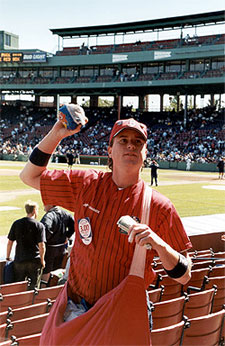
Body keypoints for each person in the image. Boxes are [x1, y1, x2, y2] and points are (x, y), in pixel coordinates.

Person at [20, 112, 192, 337]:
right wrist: (57, 133)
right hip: (76, 309)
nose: (131, 146)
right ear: (109, 151)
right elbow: (29, 176)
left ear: (145, 152)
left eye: (138, 142)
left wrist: (159, 244)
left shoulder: (160, 206)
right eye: (123, 140)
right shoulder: (86, 183)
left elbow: (184, 275)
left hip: (123, 314)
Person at [6, 200, 46, 289]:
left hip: (20, 259)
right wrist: (42, 260)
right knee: (34, 286)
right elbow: (42, 245)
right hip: (34, 260)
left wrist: (8, 257)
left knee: (19, 285)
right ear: (35, 210)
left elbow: (10, 242)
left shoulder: (16, 223)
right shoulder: (39, 225)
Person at [40, 205, 74, 283]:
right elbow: (73, 225)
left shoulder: (49, 215)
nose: (43, 206)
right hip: (61, 248)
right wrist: (67, 236)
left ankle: (44, 292)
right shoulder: (65, 213)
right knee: (56, 274)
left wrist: (46, 240)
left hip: (50, 249)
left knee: (46, 274)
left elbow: (46, 228)